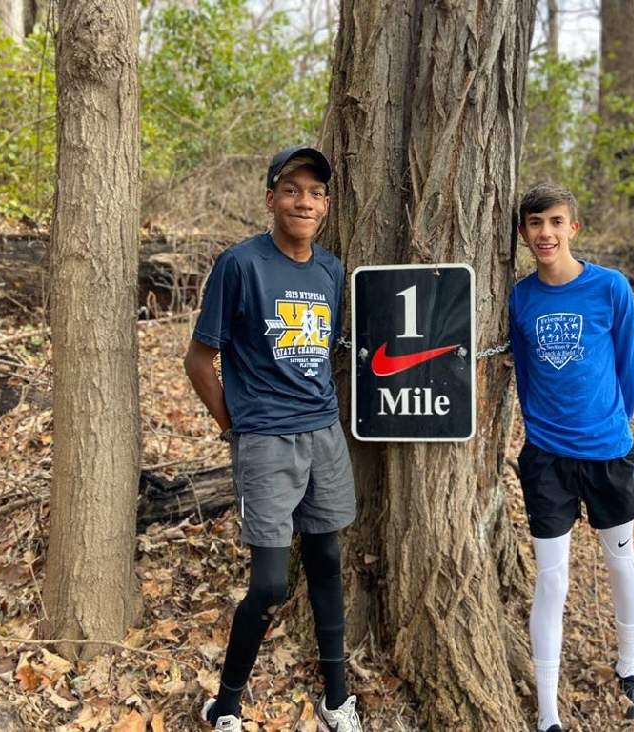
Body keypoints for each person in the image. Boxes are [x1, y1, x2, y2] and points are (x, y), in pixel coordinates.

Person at [184, 146, 363, 732]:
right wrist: (234, 426)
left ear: (327, 205)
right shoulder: (241, 265)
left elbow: (321, 353)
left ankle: (337, 699)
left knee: (327, 561)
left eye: (315, 193)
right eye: (292, 190)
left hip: (324, 435)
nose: (303, 201)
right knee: (266, 585)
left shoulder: (331, 270)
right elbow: (199, 358)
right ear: (271, 198)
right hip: (265, 440)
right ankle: (227, 705)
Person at [508, 183, 634, 730]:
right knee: (552, 580)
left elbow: (630, 367)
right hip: (547, 459)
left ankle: (628, 666)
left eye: (555, 222)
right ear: (523, 233)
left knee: (620, 559)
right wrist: (544, 427)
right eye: (535, 224)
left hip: (608, 451)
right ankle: (548, 713)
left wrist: (612, 424)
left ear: (574, 228)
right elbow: (523, 370)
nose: (545, 233)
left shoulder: (610, 288)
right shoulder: (521, 298)